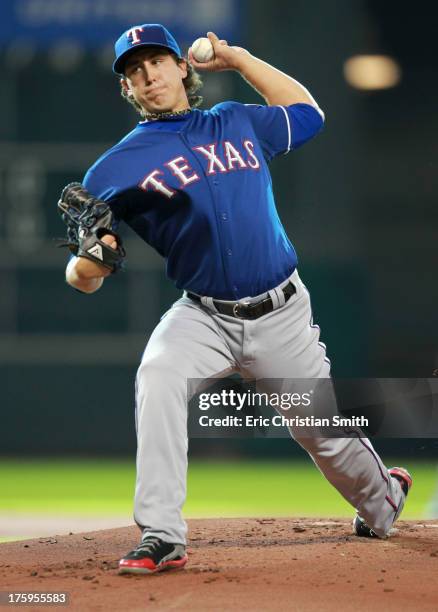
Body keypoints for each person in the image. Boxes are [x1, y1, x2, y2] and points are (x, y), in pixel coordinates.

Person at [64, 23, 412, 575]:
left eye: (156, 61)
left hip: (282, 316)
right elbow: (83, 275)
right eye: (133, 70)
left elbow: (309, 113)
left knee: (322, 434)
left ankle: (383, 495)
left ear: (182, 67)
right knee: (157, 374)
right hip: (202, 315)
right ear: (127, 90)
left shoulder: (237, 121)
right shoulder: (112, 169)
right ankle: (161, 534)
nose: (146, 73)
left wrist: (240, 58)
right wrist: (92, 262)